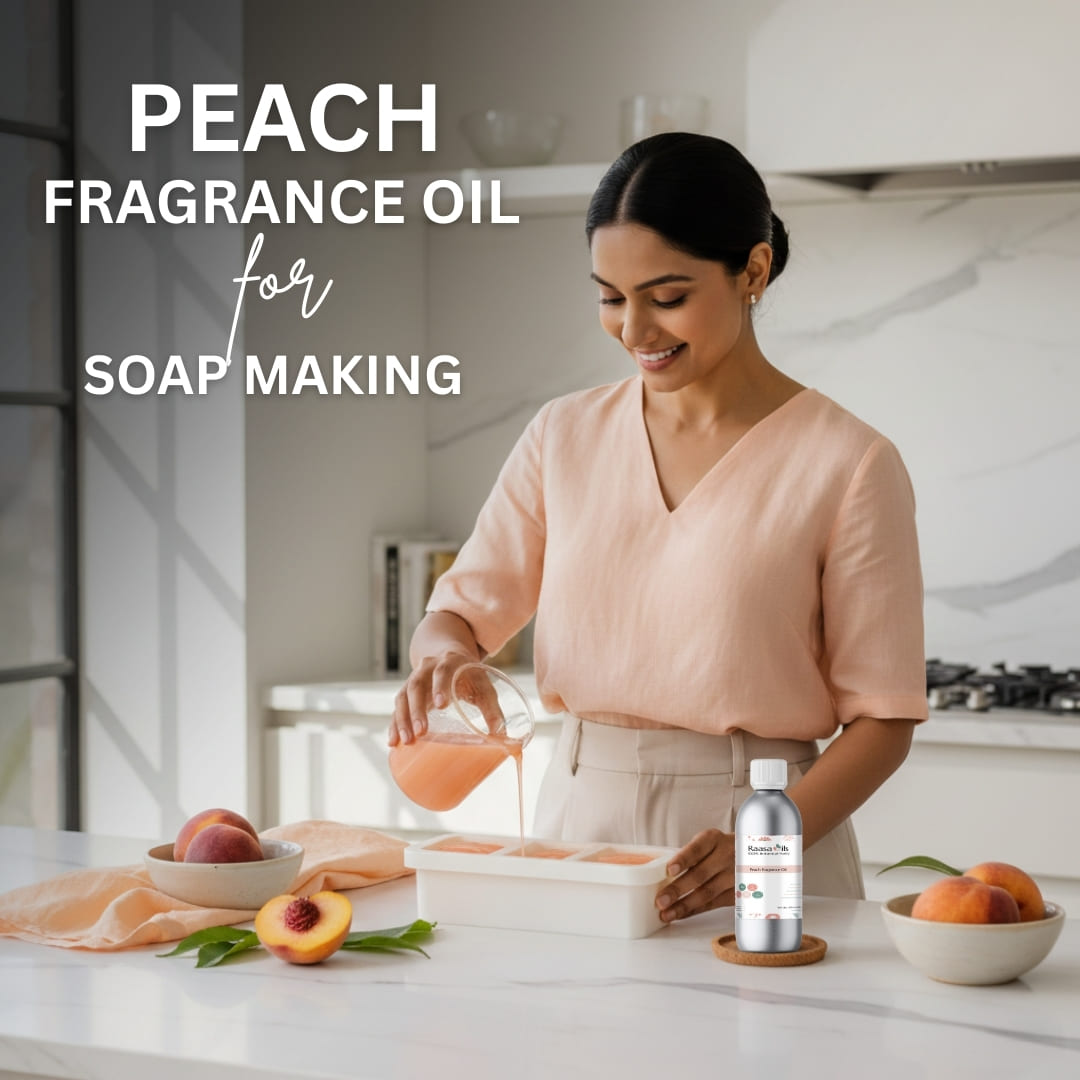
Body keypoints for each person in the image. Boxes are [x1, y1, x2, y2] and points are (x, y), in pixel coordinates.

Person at [387, 133, 929, 924]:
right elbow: (460, 616)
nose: (634, 328)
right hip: (580, 823)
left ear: (752, 271)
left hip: (766, 831)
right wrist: (443, 661)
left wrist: (761, 844)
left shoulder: (849, 462)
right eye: (610, 296)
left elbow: (885, 719)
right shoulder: (562, 435)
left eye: (667, 296)